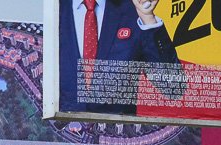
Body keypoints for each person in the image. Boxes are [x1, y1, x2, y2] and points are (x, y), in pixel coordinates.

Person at [58, 0, 187, 116]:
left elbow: (173, 87)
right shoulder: (52, 9)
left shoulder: (134, 12)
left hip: (116, 136)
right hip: (57, 136)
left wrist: (148, 19)